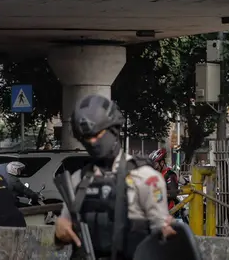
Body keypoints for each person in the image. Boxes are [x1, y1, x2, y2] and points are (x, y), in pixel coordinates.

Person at [54, 94, 176, 259]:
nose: (93, 142)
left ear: (114, 129)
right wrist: (60, 231)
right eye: (86, 138)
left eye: (98, 134)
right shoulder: (79, 180)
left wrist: (168, 232)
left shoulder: (145, 178)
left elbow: (161, 236)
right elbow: (64, 230)